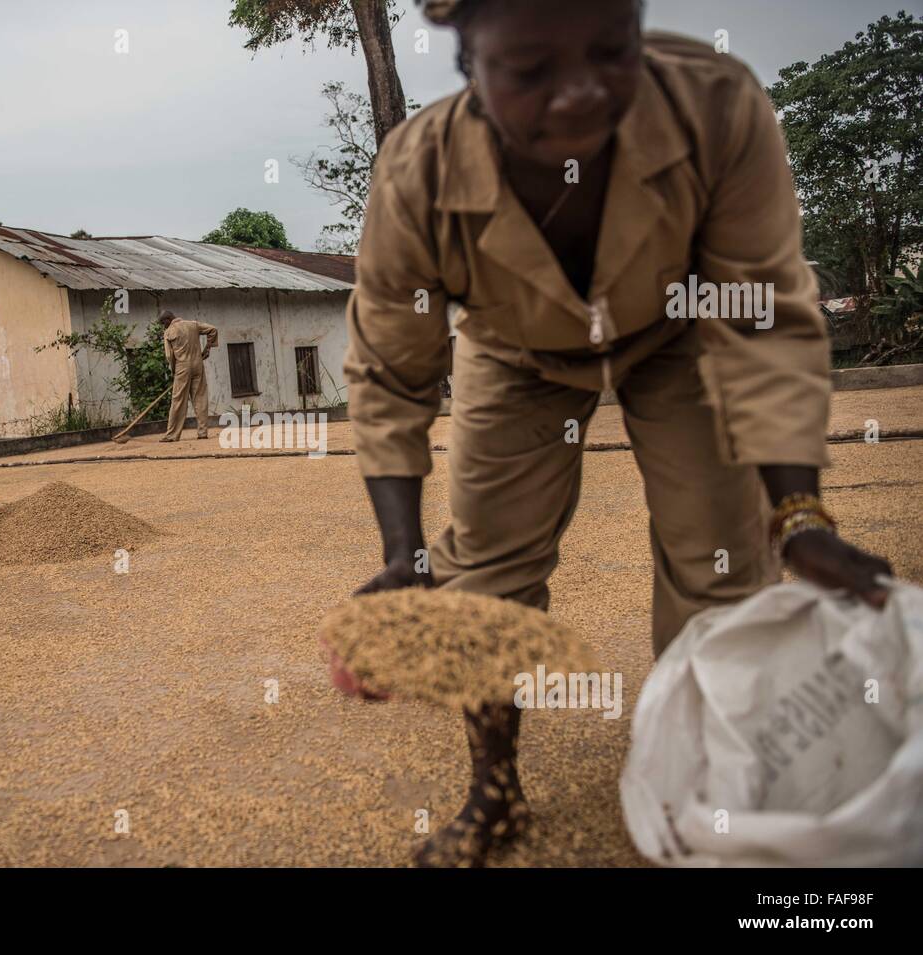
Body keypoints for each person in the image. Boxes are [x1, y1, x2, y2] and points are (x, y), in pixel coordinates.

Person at [339, 0, 894, 865]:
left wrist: (800, 516)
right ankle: (496, 796)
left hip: (681, 331)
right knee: (483, 579)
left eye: (612, 50)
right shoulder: (418, 173)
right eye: (529, 71)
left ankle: (711, 793)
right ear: (467, 68)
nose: (581, 95)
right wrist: (407, 563)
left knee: (719, 562)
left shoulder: (715, 106)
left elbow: (763, 318)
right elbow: (390, 374)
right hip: (512, 350)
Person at [159, 310, 218, 442]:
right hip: (198, 364)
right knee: (200, 398)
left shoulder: (168, 332)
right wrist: (207, 348)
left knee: (178, 400)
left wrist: (175, 371)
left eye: (164, 323)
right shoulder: (193, 324)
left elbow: (169, 356)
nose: (164, 326)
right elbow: (213, 329)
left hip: (182, 367)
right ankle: (202, 432)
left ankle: (172, 435)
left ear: (168, 319)